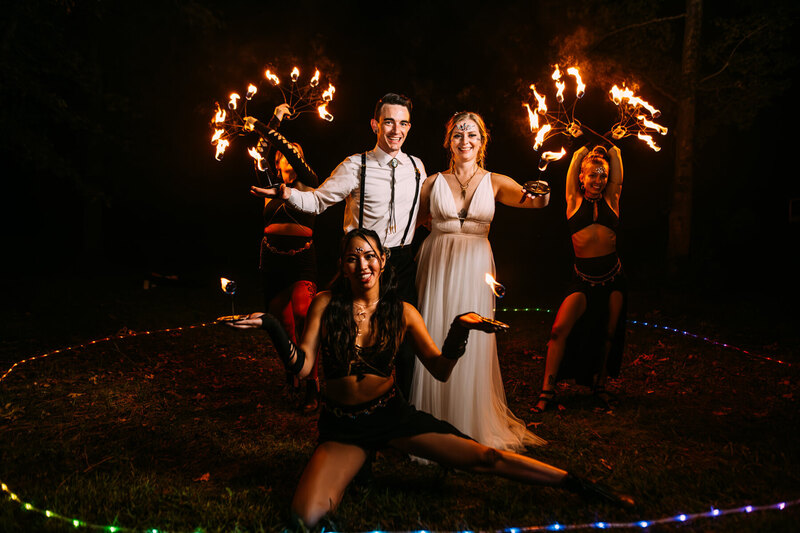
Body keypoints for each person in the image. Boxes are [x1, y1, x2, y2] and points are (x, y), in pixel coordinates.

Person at [229, 228, 634, 530]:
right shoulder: (324, 304)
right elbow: (302, 368)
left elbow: (440, 370)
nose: (362, 265)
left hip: (391, 416)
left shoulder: (403, 312)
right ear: (342, 265)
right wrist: (271, 327)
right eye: (352, 258)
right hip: (343, 427)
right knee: (306, 517)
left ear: (383, 260)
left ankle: (578, 484)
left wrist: (459, 330)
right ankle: (358, 463)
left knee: (485, 458)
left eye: (369, 255)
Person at [251, 93, 427, 399]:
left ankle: (401, 409)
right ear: (375, 125)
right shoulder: (355, 165)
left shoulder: (417, 167)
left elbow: (421, 211)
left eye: (403, 123)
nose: (396, 130)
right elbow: (318, 201)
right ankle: (352, 406)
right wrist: (287, 194)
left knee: (406, 346)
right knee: (355, 341)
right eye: (388, 122)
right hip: (362, 264)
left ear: (409, 127)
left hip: (401, 262)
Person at [410, 111, 550, 451]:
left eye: (472, 134)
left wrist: (543, 190)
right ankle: (431, 420)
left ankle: (468, 419)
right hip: (437, 262)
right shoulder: (431, 182)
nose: (465, 141)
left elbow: (536, 203)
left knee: (472, 338)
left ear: (482, 141)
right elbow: (413, 221)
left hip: (476, 266)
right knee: (435, 329)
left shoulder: (495, 181)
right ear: (449, 142)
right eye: (458, 135)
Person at [532, 144, 626, 413]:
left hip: (613, 277)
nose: (598, 180)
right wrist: (582, 141)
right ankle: (547, 391)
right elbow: (575, 159)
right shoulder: (573, 199)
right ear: (582, 178)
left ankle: (600, 386)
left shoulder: (612, 199)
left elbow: (616, 157)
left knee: (609, 334)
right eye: (592, 175)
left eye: (603, 175)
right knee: (558, 330)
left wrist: (612, 144)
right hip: (583, 279)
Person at [247, 104, 321, 412]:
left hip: (301, 260)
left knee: (304, 314)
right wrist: (274, 118)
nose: (288, 157)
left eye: (294, 154)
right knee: (281, 325)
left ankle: (312, 383)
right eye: (283, 156)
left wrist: (266, 126)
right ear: (276, 163)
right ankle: (292, 374)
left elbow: (288, 149)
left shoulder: (308, 183)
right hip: (272, 261)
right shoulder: (268, 184)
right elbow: (260, 151)